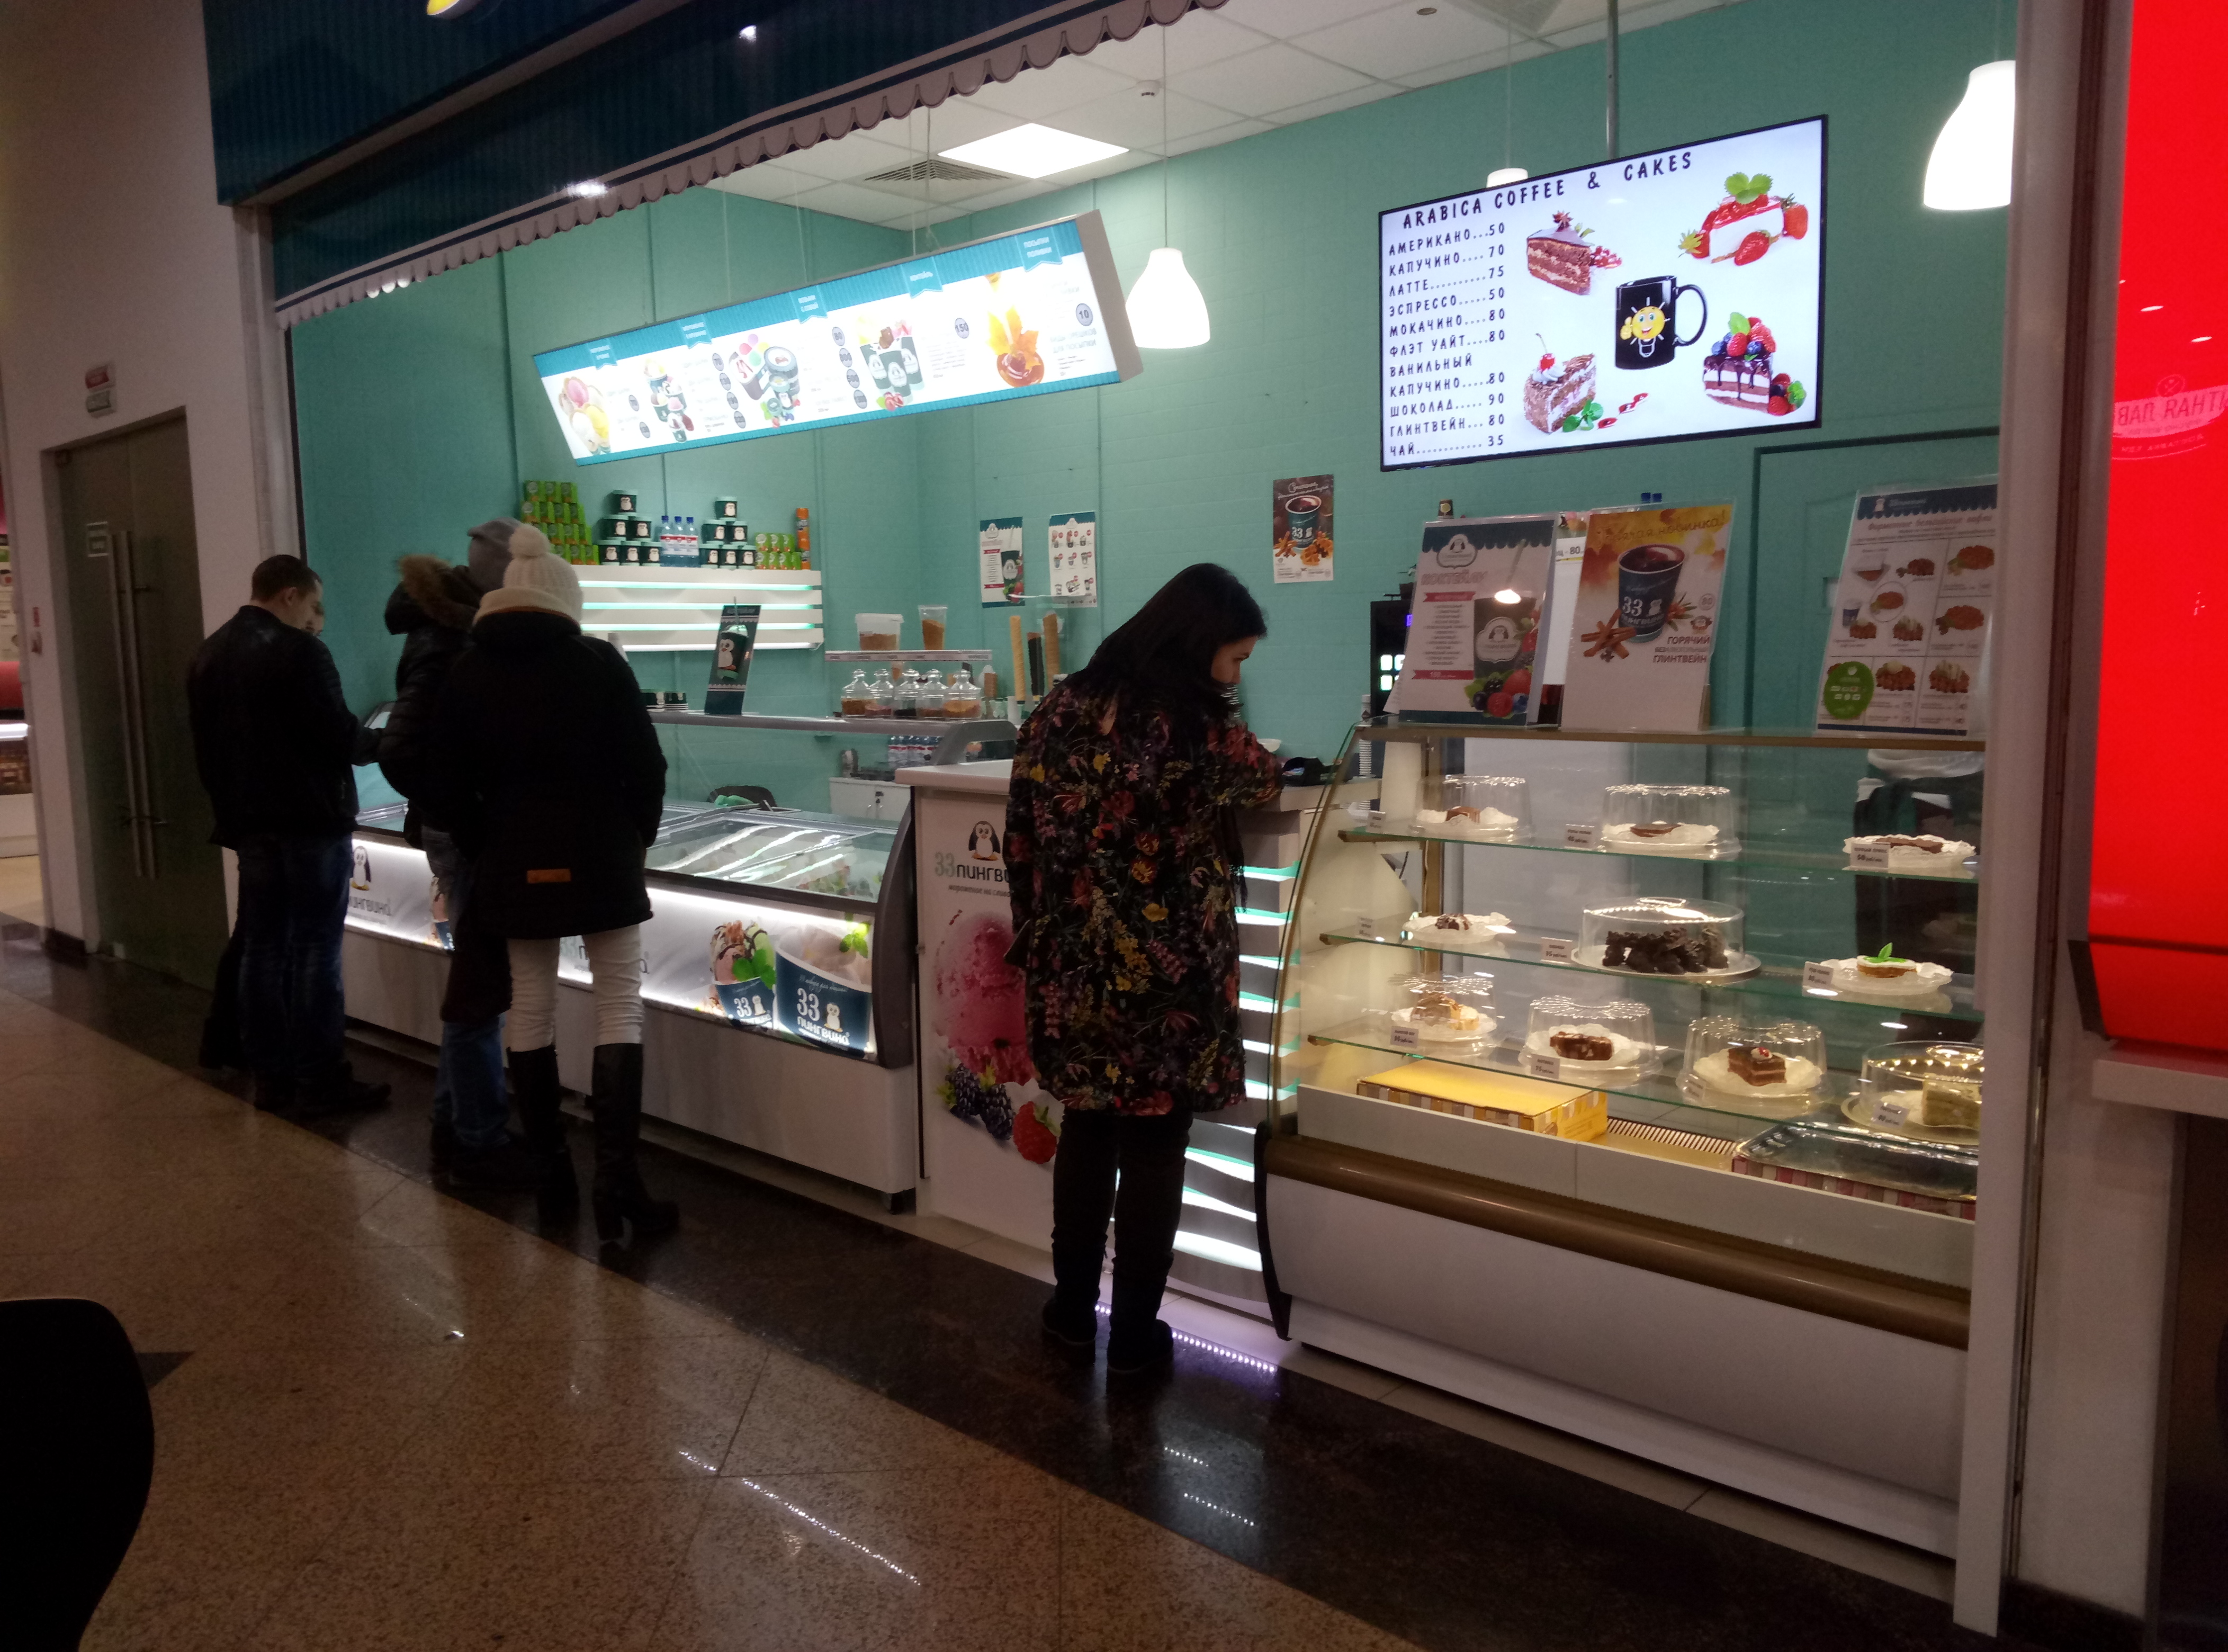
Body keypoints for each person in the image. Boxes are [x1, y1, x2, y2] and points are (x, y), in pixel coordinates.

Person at [1004, 563, 1282, 1372]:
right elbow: (1265, 779)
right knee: (1157, 1146)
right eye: (1234, 658)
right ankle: (1132, 1337)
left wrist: (1042, 942)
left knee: (1088, 1128)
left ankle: (1070, 1312)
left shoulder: (1058, 709)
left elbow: (1020, 838)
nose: (1235, 676)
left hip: (1073, 968)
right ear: (1198, 646)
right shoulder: (1194, 728)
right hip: (1167, 981)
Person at [424, 526, 676, 1244]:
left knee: (530, 1005)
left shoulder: (468, 671)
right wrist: (636, 837)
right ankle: (617, 1181)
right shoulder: (598, 663)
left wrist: (490, 842)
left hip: (512, 864)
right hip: (602, 857)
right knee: (617, 1002)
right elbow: (647, 766)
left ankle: (552, 1174)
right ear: (566, 601)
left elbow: (443, 787)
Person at [187, 554, 389, 1116]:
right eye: (313, 604)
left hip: (251, 826)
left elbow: (206, 753)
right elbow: (340, 737)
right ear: (290, 595)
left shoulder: (209, 653)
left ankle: (271, 1078)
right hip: (311, 823)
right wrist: (393, 743)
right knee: (315, 952)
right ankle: (320, 1078)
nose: (313, 618)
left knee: (263, 948)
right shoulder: (301, 652)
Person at [378, 521, 543, 1192]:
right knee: (481, 993)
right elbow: (400, 749)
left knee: (475, 984)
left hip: (459, 829)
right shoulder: (451, 642)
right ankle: (478, 1138)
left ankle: (455, 1123)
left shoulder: (447, 630)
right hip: (467, 834)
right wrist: (465, 818)